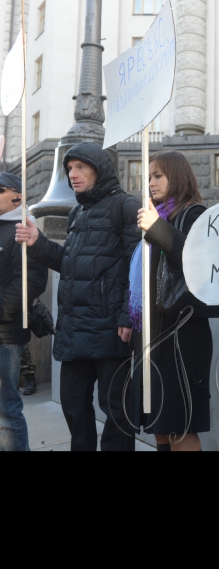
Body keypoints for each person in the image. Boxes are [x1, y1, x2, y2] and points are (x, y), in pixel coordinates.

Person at [15, 144, 140, 452]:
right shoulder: (77, 212)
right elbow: (69, 264)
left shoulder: (125, 206)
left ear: (99, 169)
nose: (72, 174)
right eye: (69, 168)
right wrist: (38, 242)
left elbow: (136, 265)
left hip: (111, 328)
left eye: (80, 167)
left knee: (116, 409)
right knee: (73, 404)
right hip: (74, 329)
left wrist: (127, 315)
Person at [131, 151, 213, 453]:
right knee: (160, 427)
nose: (150, 182)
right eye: (149, 176)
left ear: (176, 176)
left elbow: (197, 262)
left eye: (158, 176)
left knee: (179, 425)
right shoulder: (156, 217)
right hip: (152, 336)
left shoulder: (194, 214)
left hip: (182, 336)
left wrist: (157, 229)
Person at [0, 172, 48, 451]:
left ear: (17, 195)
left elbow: (32, 281)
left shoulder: (25, 228)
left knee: (6, 409)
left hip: (6, 336)